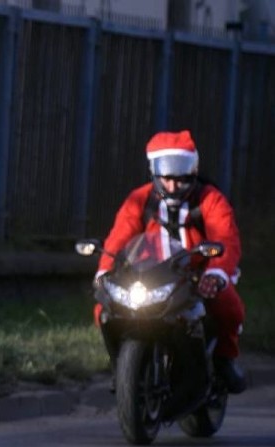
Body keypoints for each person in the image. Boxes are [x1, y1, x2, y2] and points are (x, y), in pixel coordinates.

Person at [95, 129, 246, 393]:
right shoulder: (139, 199)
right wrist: (105, 270)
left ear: (193, 173)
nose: (173, 186)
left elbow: (227, 240)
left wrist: (217, 274)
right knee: (104, 310)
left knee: (228, 306)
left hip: (198, 275)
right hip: (151, 274)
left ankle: (224, 360)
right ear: (155, 174)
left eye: (181, 179)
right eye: (166, 179)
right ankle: (120, 366)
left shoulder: (211, 199)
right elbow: (119, 237)